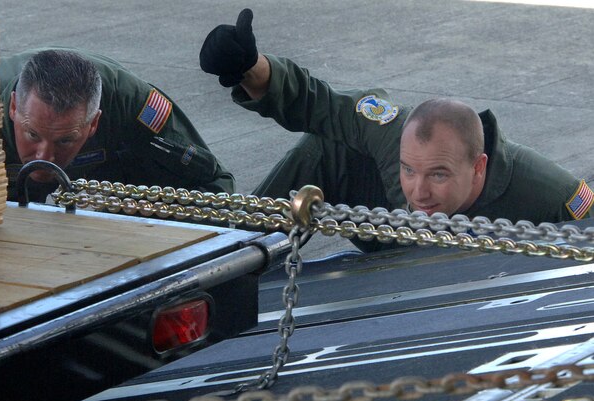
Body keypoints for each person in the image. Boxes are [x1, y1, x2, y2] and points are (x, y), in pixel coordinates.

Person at [199, 9, 593, 249]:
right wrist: (253, 69)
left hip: (475, 270)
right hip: (394, 239)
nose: (419, 191)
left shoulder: (547, 190)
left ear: (478, 167)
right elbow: (320, 105)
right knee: (326, 148)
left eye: (438, 174)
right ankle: (231, 250)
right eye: (408, 170)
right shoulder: (394, 135)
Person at [0, 48, 235, 203]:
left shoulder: (130, 102)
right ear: (13, 107)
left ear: (94, 123)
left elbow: (215, 183)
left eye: (64, 140)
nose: (45, 156)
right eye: (32, 134)